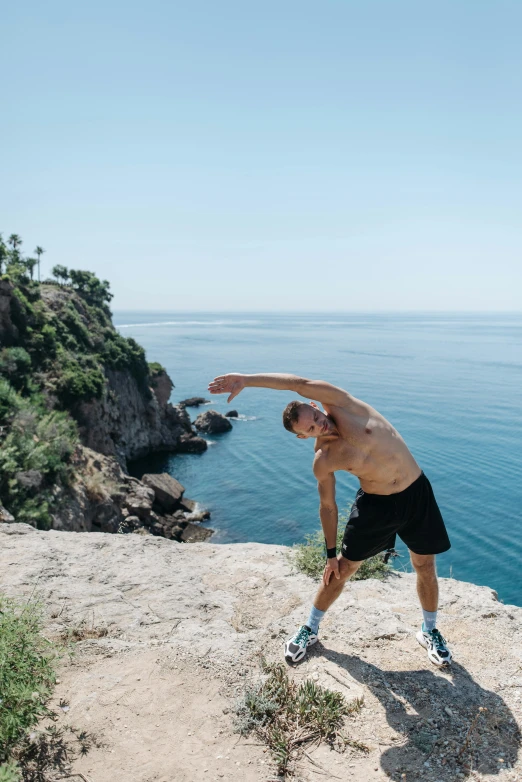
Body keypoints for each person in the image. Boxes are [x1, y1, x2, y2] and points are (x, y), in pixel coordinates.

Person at [208, 372, 452, 667]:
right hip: (376, 506)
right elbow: (328, 507)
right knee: (341, 570)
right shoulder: (324, 459)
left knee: (425, 564)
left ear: (315, 404)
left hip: (416, 493)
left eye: (315, 415)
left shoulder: (345, 406)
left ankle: (429, 630)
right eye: (310, 428)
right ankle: (309, 629)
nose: (318, 424)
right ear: (303, 436)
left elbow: (295, 383)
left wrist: (246, 379)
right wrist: (330, 554)